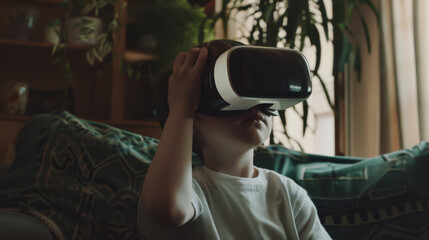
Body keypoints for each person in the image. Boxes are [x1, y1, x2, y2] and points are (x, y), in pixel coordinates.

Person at [138, 39, 331, 240]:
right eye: (237, 91)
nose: (256, 104)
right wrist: (181, 108)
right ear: (193, 121)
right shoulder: (189, 191)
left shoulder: (288, 194)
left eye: (261, 89)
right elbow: (167, 209)